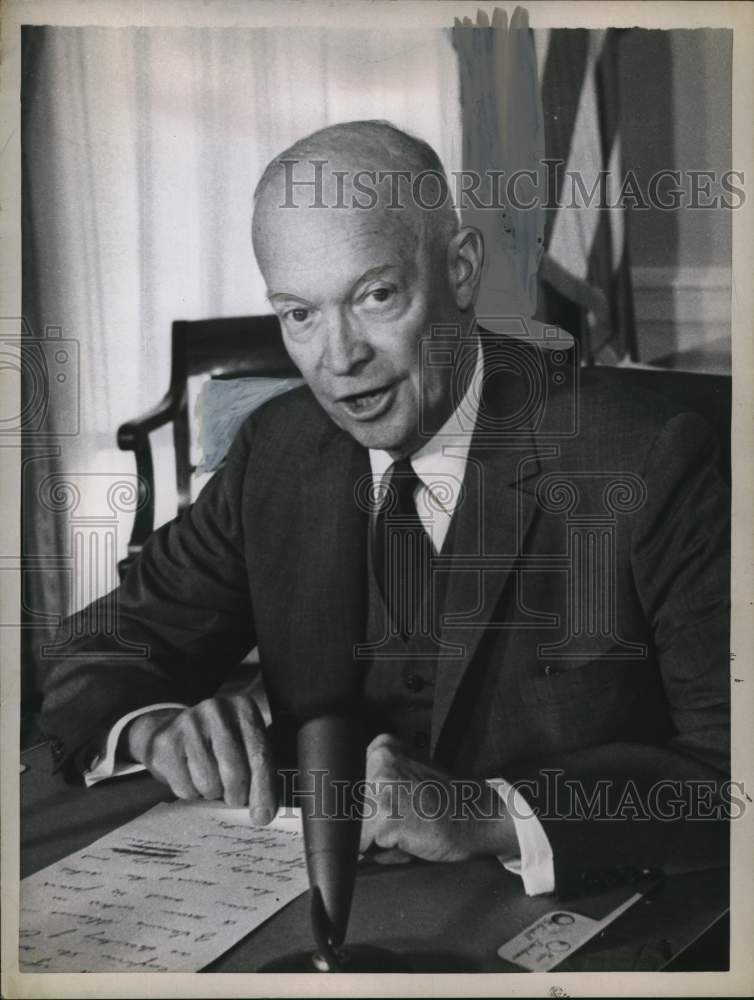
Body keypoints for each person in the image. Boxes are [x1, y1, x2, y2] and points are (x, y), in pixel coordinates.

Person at [39, 120, 730, 899]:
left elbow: (730, 768)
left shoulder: (652, 456)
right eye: (299, 313)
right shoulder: (280, 448)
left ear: (461, 270)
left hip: (568, 908)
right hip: (322, 908)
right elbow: (98, 642)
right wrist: (155, 725)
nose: (338, 360)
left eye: (375, 296)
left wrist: (488, 812)